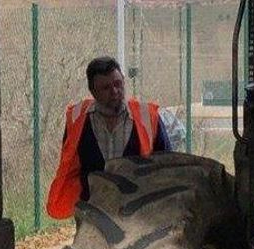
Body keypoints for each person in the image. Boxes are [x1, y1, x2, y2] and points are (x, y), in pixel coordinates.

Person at [44, 56, 180, 219]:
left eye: (118, 84)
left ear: (123, 81)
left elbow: (166, 166)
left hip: (139, 216)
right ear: (93, 91)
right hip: (92, 214)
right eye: (106, 88)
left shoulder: (147, 117)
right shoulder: (77, 118)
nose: (115, 91)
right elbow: (70, 163)